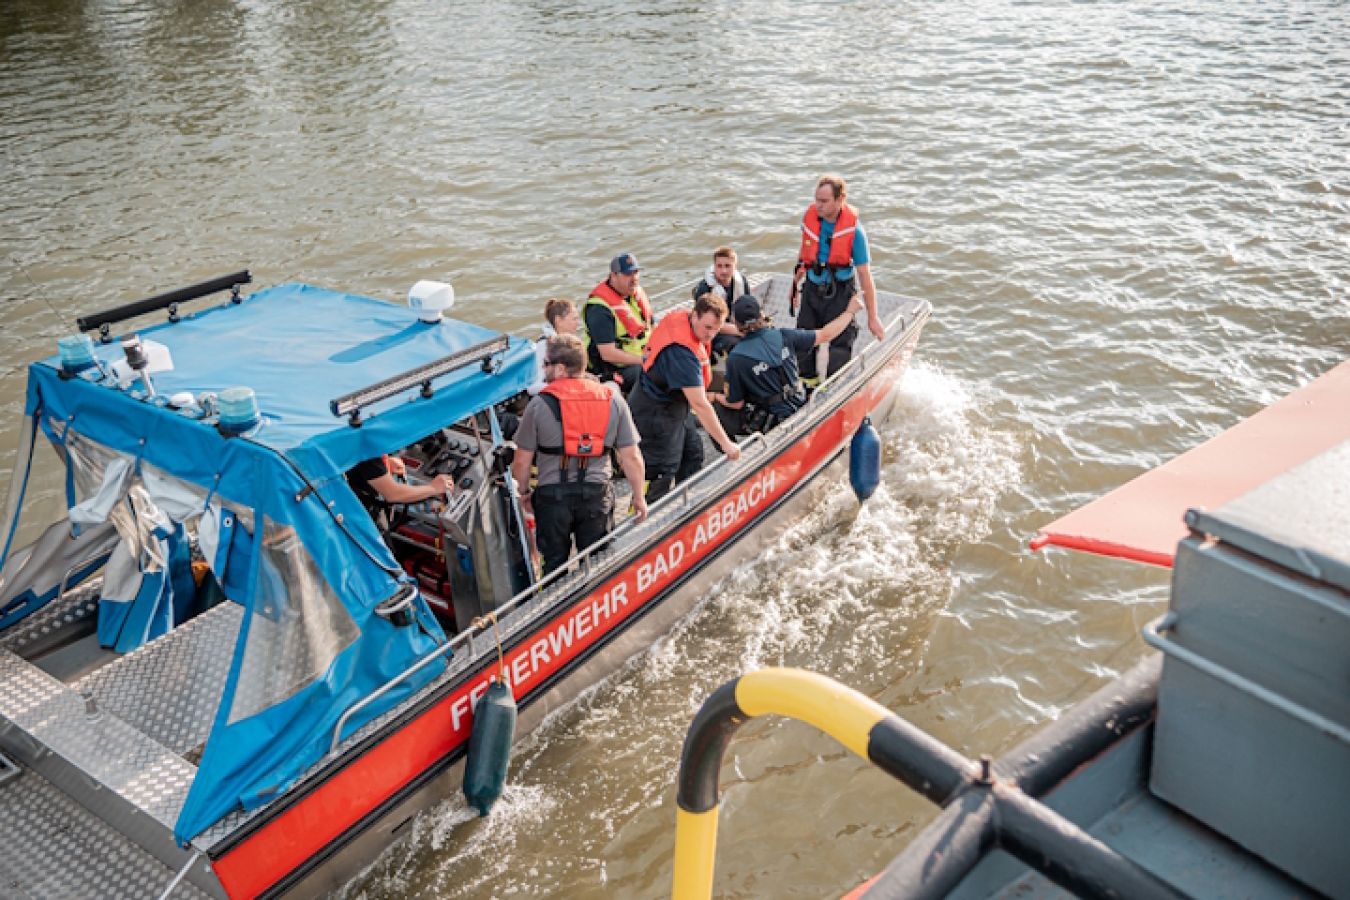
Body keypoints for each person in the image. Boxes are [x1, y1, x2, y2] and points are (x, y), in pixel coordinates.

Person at [512, 334, 648, 575]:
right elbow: (632, 457)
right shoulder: (613, 400)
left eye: (546, 364)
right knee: (598, 564)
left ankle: (555, 596)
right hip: (596, 496)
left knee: (554, 567)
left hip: (552, 499)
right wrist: (639, 497)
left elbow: (521, 462)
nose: (543, 369)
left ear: (560, 369)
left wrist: (524, 494)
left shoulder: (539, 405)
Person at [628, 293, 742, 502]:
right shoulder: (681, 354)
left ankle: (685, 505)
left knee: (693, 453)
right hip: (654, 412)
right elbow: (700, 404)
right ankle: (643, 512)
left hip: (675, 405)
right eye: (708, 327)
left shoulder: (685, 318)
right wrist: (726, 444)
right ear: (695, 315)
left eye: (716, 329)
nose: (711, 335)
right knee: (661, 469)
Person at [711, 293, 862, 438]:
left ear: (736, 323)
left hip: (775, 422)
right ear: (761, 315)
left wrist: (713, 396)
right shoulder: (784, 335)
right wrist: (849, 312)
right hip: (801, 402)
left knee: (714, 405)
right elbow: (826, 334)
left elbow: (736, 404)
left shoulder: (736, 358)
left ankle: (729, 448)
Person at [795, 173, 885, 382]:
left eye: (824, 201)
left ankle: (834, 387)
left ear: (840, 199)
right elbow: (805, 250)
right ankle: (807, 385)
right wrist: (795, 283)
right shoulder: (810, 218)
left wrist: (872, 317)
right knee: (803, 340)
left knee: (840, 347)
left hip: (840, 292)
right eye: (817, 199)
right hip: (812, 288)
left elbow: (865, 275)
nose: (818, 205)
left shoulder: (855, 233)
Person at [584, 253, 654, 394]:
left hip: (643, 355)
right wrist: (643, 360)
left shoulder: (635, 294)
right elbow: (608, 354)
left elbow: (651, 328)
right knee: (651, 373)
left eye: (636, 272)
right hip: (614, 370)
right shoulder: (599, 309)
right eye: (628, 274)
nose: (634, 278)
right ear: (614, 275)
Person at [347, 455, 453, 532]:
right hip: (358, 516)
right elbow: (393, 494)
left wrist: (385, 464)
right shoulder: (367, 448)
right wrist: (433, 488)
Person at [692, 245, 752, 360]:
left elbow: (748, 308)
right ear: (714, 266)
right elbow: (705, 323)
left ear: (735, 266)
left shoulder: (741, 281)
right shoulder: (705, 289)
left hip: (737, 326)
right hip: (713, 332)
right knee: (737, 343)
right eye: (719, 266)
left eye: (727, 266)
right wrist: (739, 331)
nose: (723, 270)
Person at [529, 298, 582, 395]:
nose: (578, 323)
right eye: (574, 319)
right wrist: (568, 387)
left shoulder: (572, 342)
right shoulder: (544, 345)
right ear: (558, 320)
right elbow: (534, 387)